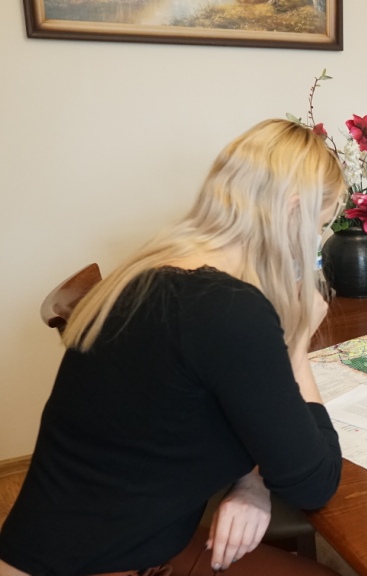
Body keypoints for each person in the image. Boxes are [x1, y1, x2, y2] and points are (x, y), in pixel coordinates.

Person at [0, 119, 345, 576]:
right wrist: (297, 347)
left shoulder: (150, 270)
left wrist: (252, 484)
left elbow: (204, 414)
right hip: (104, 563)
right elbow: (315, 483)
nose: (314, 246)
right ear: (292, 211)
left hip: (52, 544)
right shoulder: (229, 310)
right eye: (318, 228)